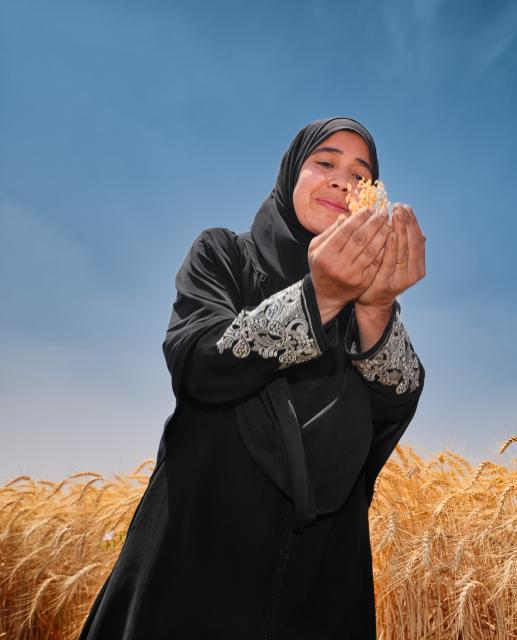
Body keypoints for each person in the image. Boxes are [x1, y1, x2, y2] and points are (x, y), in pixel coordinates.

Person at [78, 117, 426, 639]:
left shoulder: (369, 306)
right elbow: (198, 361)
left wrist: (376, 308)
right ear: (291, 175)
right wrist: (320, 298)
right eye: (325, 163)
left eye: (361, 175)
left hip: (322, 577)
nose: (342, 181)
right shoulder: (225, 255)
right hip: (196, 558)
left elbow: (391, 413)